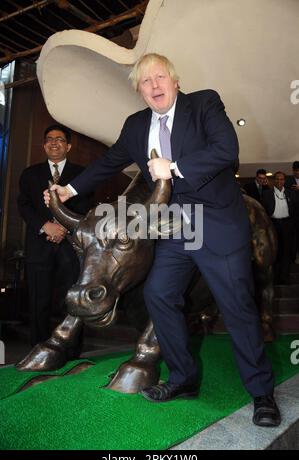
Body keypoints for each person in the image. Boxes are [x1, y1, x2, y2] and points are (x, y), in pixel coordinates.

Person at [44, 53, 280, 427]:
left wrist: (173, 168)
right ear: (139, 90)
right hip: (173, 228)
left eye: (159, 78)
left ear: (174, 81)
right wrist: (69, 189)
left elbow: (225, 151)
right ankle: (184, 378)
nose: (154, 86)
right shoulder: (137, 125)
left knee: (237, 307)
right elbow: (109, 163)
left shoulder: (204, 103)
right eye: (145, 82)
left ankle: (262, 393)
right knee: (158, 295)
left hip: (215, 223)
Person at [18, 124, 91, 346]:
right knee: (39, 301)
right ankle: (39, 349)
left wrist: (62, 228)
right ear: (44, 145)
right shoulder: (30, 173)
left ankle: (71, 350)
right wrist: (45, 226)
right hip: (39, 245)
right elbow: (24, 205)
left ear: (68, 146)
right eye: (49, 139)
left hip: (70, 246)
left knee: (71, 301)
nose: (54, 143)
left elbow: (85, 206)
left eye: (59, 139)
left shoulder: (82, 174)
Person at [262, 171, 294, 285]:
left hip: (287, 225)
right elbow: (263, 212)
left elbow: (295, 211)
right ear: (274, 180)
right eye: (277, 179)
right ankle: (274, 278)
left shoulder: (291, 193)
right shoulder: (266, 194)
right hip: (273, 224)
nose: (279, 181)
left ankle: (284, 277)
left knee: (286, 252)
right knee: (274, 252)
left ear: (284, 181)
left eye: (282, 179)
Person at [285, 161, 299, 263]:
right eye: (296, 171)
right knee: (294, 237)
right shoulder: (288, 180)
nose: (298, 173)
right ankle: (293, 257)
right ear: (293, 171)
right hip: (293, 213)